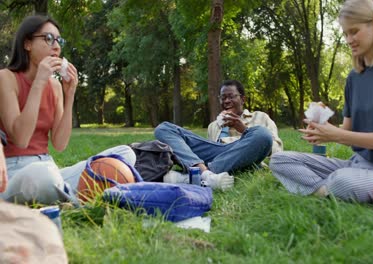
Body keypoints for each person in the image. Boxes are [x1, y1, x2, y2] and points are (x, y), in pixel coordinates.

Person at [269, 0, 373, 203]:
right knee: (279, 160)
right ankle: (328, 191)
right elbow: (347, 130)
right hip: (356, 165)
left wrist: (337, 135)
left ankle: (329, 189)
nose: (349, 39)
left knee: (341, 181)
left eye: (354, 31)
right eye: (345, 33)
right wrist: (324, 130)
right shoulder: (354, 77)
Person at [0, 15, 135, 204]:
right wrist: (39, 81)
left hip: (50, 168)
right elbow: (21, 139)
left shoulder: (54, 86)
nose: (56, 46)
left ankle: (65, 193)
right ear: (27, 44)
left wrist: (69, 94)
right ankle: (80, 201)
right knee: (43, 175)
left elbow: (60, 143)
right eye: (48, 39)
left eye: (58, 40)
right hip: (16, 173)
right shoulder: (6, 78)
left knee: (124, 154)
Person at [154, 80, 283, 190]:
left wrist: (243, 129)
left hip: (245, 154)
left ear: (243, 99)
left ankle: (194, 176)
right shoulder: (213, 125)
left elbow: (276, 150)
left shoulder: (260, 117)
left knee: (262, 134)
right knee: (164, 128)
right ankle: (206, 175)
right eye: (223, 97)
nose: (226, 101)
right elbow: (214, 155)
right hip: (218, 153)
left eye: (231, 96)